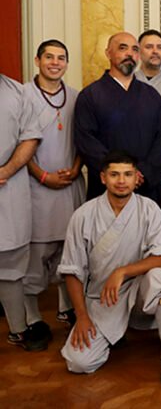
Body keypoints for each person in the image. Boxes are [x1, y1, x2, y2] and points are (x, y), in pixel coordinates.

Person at [58, 151, 161, 386]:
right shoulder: (83, 215)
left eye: (128, 174)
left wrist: (122, 271)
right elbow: (71, 270)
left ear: (137, 178)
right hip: (103, 298)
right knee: (78, 362)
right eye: (114, 174)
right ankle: (113, 334)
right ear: (103, 178)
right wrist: (81, 316)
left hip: (140, 290)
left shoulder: (150, 209)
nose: (121, 181)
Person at [23, 40, 86, 344]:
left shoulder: (75, 96)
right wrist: (42, 175)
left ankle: (67, 308)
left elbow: (83, 138)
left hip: (70, 184)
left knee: (69, 248)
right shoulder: (23, 96)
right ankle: (32, 317)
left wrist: (75, 169)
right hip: (35, 186)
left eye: (61, 58)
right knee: (36, 255)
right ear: (37, 60)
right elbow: (14, 143)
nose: (55, 63)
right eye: (49, 57)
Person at [74, 32, 161, 207]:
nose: (129, 54)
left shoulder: (151, 95)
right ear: (108, 53)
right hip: (106, 188)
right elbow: (86, 141)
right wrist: (118, 175)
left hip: (146, 186)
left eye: (135, 50)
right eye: (123, 48)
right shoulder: (90, 95)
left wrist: (143, 174)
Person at [0, 73, 45, 351]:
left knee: (10, 260)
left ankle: (18, 329)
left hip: (8, 187)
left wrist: (6, 170)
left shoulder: (17, 92)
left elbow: (30, 138)